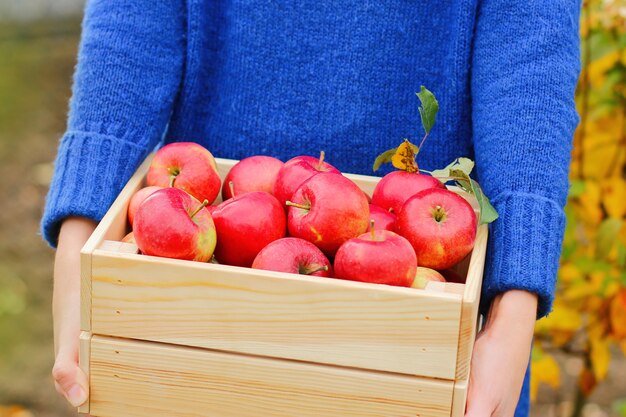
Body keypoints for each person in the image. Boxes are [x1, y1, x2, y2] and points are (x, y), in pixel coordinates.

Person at [42, 1, 581, 416]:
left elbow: (528, 59)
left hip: (424, 316)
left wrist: (512, 314)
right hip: (204, 299)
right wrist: (79, 248)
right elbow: (132, 30)